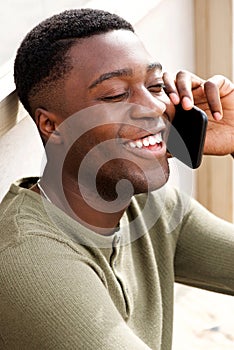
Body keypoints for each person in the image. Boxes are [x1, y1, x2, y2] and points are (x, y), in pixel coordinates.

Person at [0, 8, 233, 350]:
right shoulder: (30, 261)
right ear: (52, 126)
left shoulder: (147, 202)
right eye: (115, 95)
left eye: (155, 85)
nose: (153, 107)